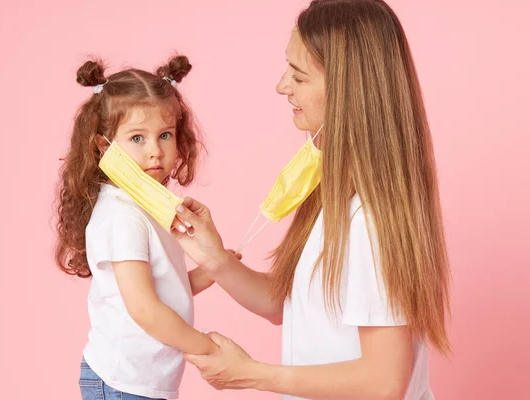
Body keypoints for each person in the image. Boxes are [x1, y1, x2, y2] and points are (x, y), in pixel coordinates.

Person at [173, 1, 451, 399]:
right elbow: (290, 306)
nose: (282, 85)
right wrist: (214, 260)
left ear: (348, 90)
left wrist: (252, 373)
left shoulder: (369, 222)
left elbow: (383, 381)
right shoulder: (333, 196)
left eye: (299, 76)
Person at [54, 55, 223, 400]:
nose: (155, 152)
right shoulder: (123, 216)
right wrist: (208, 349)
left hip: (140, 381)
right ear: (105, 146)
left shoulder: (146, 205)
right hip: (123, 382)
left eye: (164, 135)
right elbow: (145, 309)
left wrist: (212, 271)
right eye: (137, 138)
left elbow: (159, 290)